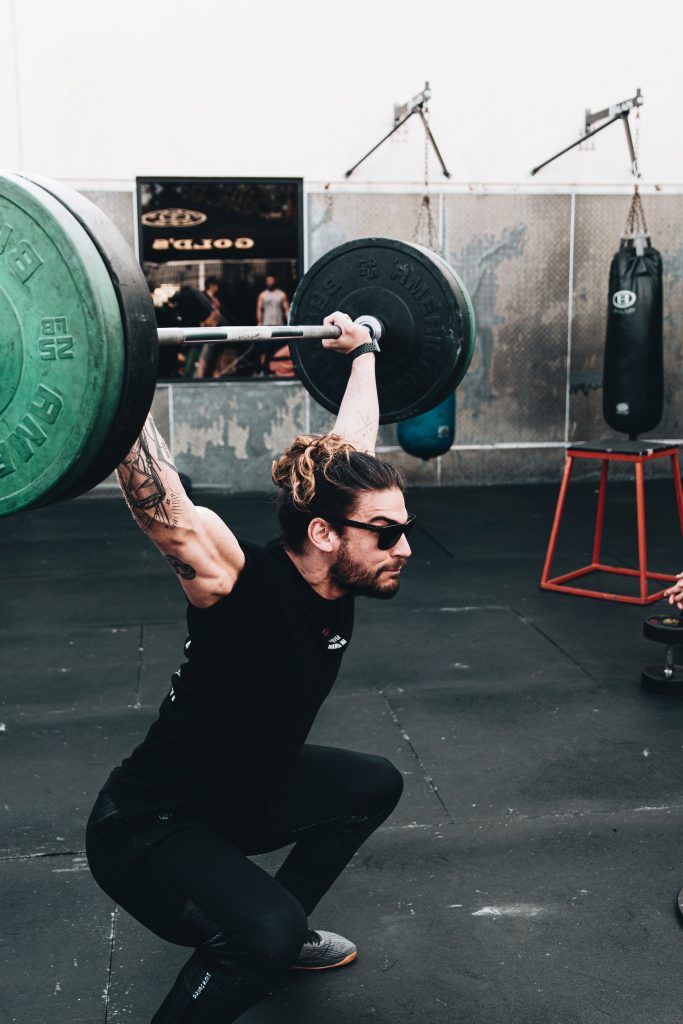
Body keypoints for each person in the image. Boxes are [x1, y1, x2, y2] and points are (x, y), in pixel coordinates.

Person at [85, 311, 414, 1023]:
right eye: (388, 535)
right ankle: (269, 935)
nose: (404, 548)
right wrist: (115, 366)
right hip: (148, 828)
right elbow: (165, 509)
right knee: (256, 937)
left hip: (240, 798)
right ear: (325, 534)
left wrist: (362, 353)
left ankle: (288, 928)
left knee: (371, 784)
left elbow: (352, 441)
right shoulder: (236, 585)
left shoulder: (337, 554)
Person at [256, 274, 291, 375]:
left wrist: (289, 322)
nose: (270, 282)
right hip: (266, 326)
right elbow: (259, 309)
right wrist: (259, 322)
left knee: (278, 350)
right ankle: (263, 370)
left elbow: (286, 309)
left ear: (274, 281)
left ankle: (277, 371)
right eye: (268, 280)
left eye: (271, 280)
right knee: (264, 349)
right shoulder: (262, 295)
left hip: (278, 326)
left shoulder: (281, 294)